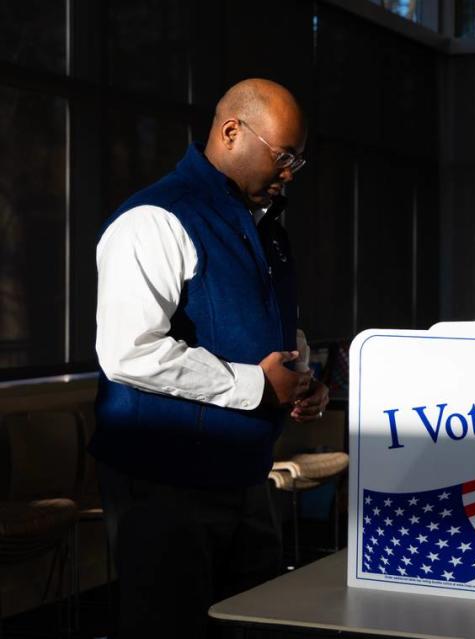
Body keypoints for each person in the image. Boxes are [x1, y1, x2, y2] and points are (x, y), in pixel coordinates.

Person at [91, 78, 329, 638]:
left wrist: (300, 374)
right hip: (161, 483)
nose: (292, 170)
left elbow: (263, 322)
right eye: (284, 155)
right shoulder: (155, 219)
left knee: (252, 621)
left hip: (243, 473)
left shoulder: (263, 227)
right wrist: (256, 386)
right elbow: (128, 351)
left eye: (301, 158)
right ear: (230, 132)